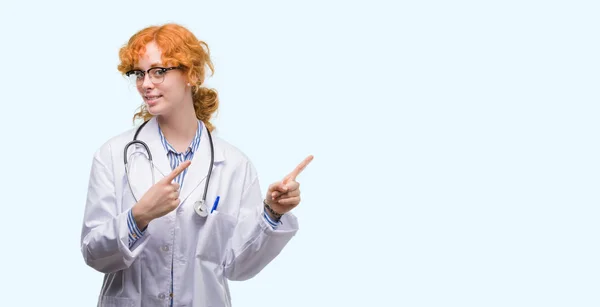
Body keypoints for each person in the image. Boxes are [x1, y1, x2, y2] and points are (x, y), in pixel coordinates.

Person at [80, 23, 313, 307]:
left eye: (158, 71)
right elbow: (94, 254)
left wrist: (272, 213)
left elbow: (238, 266)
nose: (145, 83)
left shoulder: (235, 165)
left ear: (192, 74)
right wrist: (139, 216)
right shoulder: (113, 155)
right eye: (139, 73)